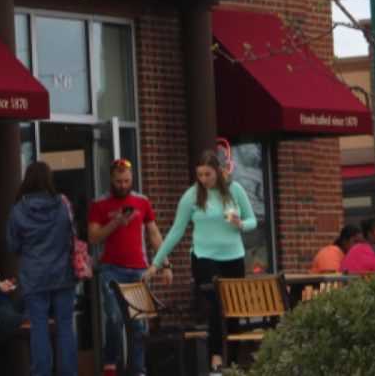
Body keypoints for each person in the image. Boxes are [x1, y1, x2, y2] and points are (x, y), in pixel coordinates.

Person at [149, 150, 257, 374]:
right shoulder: (191, 196)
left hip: (234, 257)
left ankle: (232, 363)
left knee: (233, 310)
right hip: (204, 258)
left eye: (207, 174)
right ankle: (216, 359)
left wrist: (241, 225)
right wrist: (156, 263)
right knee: (217, 304)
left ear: (217, 171)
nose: (204, 179)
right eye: (200, 175)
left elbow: (252, 220)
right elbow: (176, 232)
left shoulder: (235, 190)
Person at [89, 158, 163, 376]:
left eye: (127, 181)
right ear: (111, 179)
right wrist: (115, 223)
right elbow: (93, 237)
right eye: (119, 181)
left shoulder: (142, 202)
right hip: (111, 269)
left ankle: (138, 370)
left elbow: (153, 233)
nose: (123, 185)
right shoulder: (100, 204)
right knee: (114, 318)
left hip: (138, 269)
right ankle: (110, 362)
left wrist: (164, 262)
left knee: (139, 324)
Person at [8, 160, 78, 376]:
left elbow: (13, 245)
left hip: (34, 275)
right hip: (63, 273)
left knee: (39, 327)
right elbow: (72, 234)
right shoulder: (62, 204)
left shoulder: (18, 209)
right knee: (65, 326)